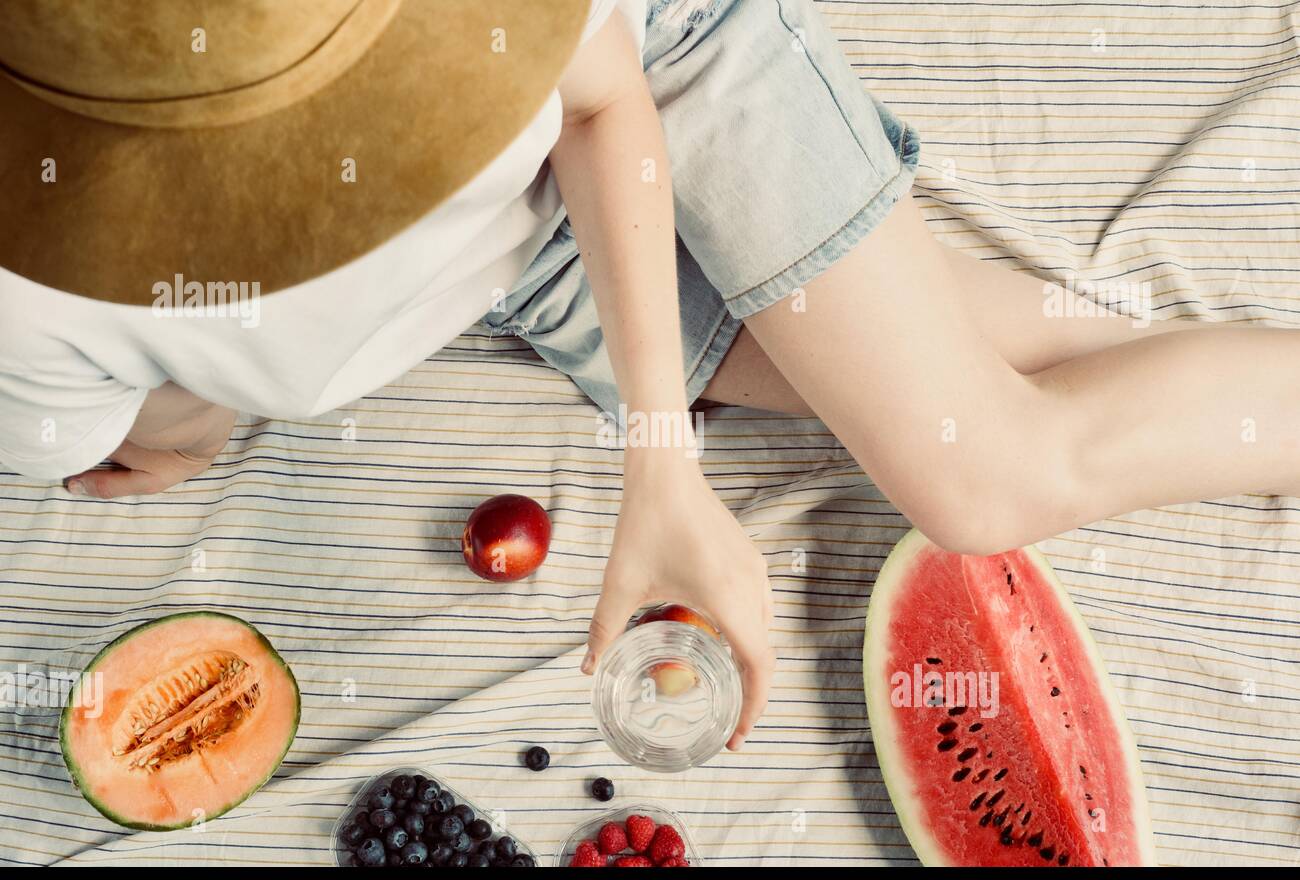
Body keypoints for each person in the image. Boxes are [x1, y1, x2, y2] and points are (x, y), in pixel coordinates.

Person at [2, 0, 1296, 752]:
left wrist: (660, 468)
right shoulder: (23, 301)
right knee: (1031, 351)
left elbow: (601, 101)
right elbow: (162, 424)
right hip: (523, 265)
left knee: (981, 478)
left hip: (652, 68)